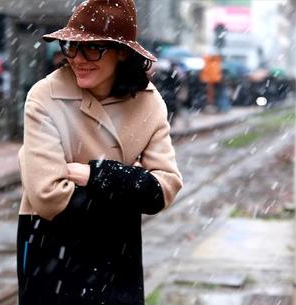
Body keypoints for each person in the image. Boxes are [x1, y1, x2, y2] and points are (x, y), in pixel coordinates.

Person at [16, 1, 183, 305]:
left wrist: (96, 175)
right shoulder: (45, 96)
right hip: (52, 243)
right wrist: (130, 184)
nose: (78, 59)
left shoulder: (149, 102)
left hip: (118, 249)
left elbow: (164, 190)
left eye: (91, 49)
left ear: (122, 52)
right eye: (71, 47)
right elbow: (47, 196)